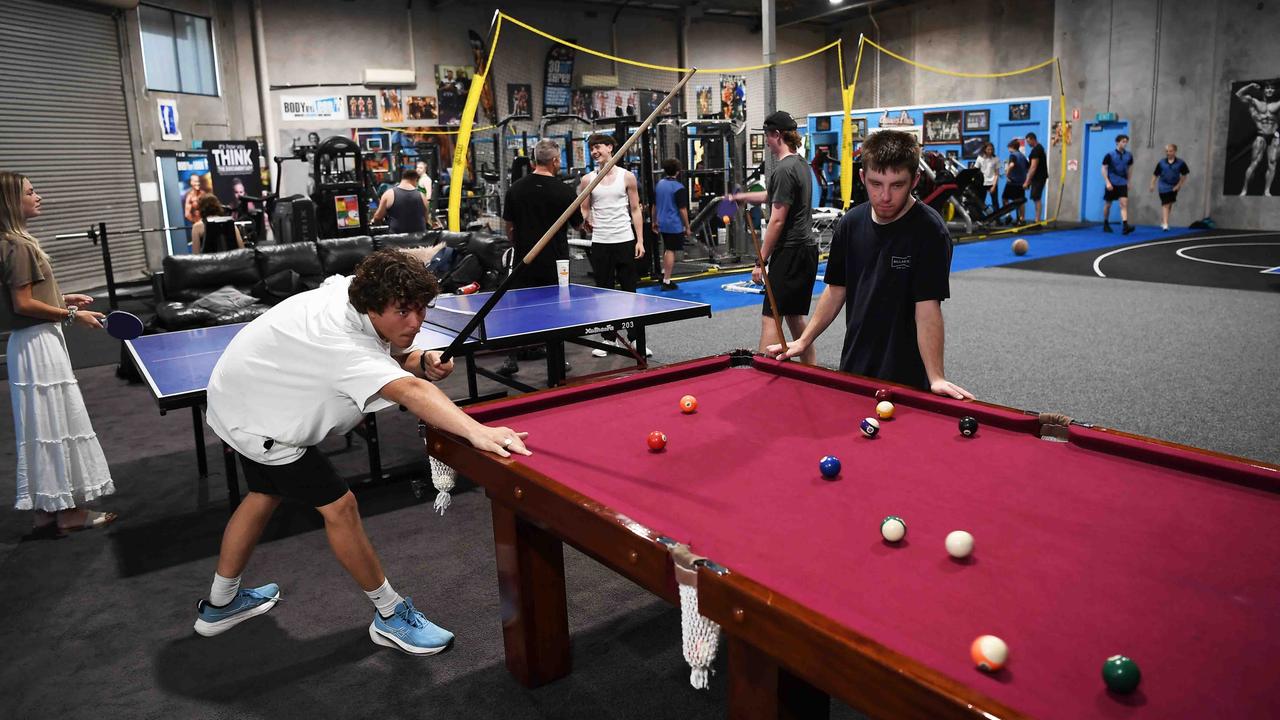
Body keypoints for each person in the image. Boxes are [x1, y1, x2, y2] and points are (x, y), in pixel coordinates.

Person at [194, 248, 530, 652]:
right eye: (403, 312)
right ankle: (389, 614)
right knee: (341, 507)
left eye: (422, 309)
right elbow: (409, 389)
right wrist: (477, 431)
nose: (416, 322)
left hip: (238, 394)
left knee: (264, 493)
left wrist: (416, 359)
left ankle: (220, 603)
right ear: (372, 303)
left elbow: (394, 360)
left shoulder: (347, 289)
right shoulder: (342, 343)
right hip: (260, 421)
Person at [764, 131, 972, 400]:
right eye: (876, 184)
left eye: (897, 185)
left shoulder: (930, 231)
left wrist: (936, 376)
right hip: (854, 366)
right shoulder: (850, 224)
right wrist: (805, 340)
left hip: (906, 374)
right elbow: (836, 290)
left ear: (915, 181)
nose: (885, 196)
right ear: (863, 178)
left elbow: (927, 309)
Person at [0, 171, 117, 537]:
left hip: (28, 343)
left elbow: (23, 299)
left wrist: (63, 298)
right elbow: (22, 303)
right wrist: (70, 314)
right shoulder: (19, 245)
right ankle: (69, 513)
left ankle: (47, 511)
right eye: (31, 192)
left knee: (41, 426)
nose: (39, 196)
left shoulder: (9, 242)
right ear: (11, 201)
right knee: (56, 423)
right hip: (38, 344)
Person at [725, 111, 817, 365]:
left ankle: (762, 374)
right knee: (794, 317)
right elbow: (773, 196)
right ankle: (813, 373)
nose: (765, 140)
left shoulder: (783, 169)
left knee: (771, 315)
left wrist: (760, 261)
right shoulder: (800, 164)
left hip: (789, 252)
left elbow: (777, 219)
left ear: (777, 135)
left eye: (767, 135)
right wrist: (741, 197)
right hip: (805, 250)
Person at [497, 139, 583, 376]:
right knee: (556, 309)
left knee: (520, 307)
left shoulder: (516, 188)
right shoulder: (565, 192)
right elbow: (579, 225)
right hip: (556, 263)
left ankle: (511, 358)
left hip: (525, 260)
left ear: (535, 160)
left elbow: (510, 227)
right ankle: (557, 360)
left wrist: (519, 245)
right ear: (555, 161)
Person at [578, 133, 649, 358]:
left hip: (624, 240)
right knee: (604, 293)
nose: (594, 152)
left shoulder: (627, 177)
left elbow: (635, 209)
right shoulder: (588, 180)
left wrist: (640, 240)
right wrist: (585, 219)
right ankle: (608, 339)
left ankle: (636, 339)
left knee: (630, 292)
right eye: (592, 149)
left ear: (610, 148)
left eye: (598, 147)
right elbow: (584, 208)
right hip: (601, 242)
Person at [1234, 81, 1280, 196]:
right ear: (1263, 90)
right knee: (1255, 163)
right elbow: (1238, 95)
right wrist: (1250, 86)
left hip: (1274, 137)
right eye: (1268, 88)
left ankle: (1267, 190)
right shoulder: (1254, 102)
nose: (1270, 90)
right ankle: (1244, 189)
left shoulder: (1278, 104)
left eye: (1272, 88)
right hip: (1261, 136)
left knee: (1272, 163)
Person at [651, 158, 690, 291]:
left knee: (667, 249)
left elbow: (654, 205)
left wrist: (654, 221)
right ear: (678, 172)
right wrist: (687, 226)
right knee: (670, 250)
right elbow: (682, 209)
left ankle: (665, 275)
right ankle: (666, 280)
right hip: (673, 224)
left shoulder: (659, 184)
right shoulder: (679, 188)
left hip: (662, 223)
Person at [372, 167, 431, 233]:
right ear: (415, 180)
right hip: (419, 240)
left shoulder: (389, 194)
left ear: (402, 178)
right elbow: (426, 219)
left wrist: (381, 230)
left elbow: (377, 217)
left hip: (396, 240)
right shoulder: (422, 196)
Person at [1149, 143, 1190, 231]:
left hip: (1174, 186)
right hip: (1163, 185)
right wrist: (1152, 184)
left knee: (1169, 204)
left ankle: (1164, 220)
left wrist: (1179, 185)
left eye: (1170, 151)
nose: (1168, 153)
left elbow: (1184, 175)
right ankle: (1166, 224)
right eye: (1167, 151)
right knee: (1165, 204)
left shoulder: (1181, 163)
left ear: (1175, 151)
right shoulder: (1161, 163)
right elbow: (1155, 174)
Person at [1101, 134, 1135, 234]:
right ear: (1117, 142)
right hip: (1111, 183)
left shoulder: (1129, 155)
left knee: (1123, 204)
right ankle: (1106, 223)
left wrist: (1128, 181)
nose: (1125, 144)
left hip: (1122, 183)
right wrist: (1107, 182)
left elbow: (1129, 169)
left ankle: (1125, 226)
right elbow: (1103, 169)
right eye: (1123, 141)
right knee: (1108, 205)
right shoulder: (1109, 155)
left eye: (1126, 142)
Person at [1023, 132, 1048, 222]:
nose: (1028, 144)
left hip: (1038, 177)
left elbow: (1033, 167)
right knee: (1036, 197)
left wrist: (1027, 181)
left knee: (1036, 198)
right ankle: (1037, 220)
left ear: (1033, 139)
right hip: (1039, 177)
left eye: (1028, 141)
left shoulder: (1036, 150)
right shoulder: (1039, 148)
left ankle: (1037, 221)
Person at [1003, 139, 1028, 224]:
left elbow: (1011, 165)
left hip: (1012, 182)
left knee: (1005, 198)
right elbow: (1027, 168)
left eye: (1009, 148)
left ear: (1011, 147)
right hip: (1021, 182)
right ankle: (1022, 219)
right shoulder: (1022, 156)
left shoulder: (1013, 155)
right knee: (1020, 201)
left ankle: (1008, 215)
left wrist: (1007, 174)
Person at [974, 142, 1000, 213]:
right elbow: (975, 170)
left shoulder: (996, 159)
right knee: (981, 202)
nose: (990, 151)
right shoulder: (979, 158)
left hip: (992, 182)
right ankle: (980, 218)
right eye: (988, 149)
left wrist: (994, 186)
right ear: (985, 149)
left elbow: (997, 173)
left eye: (991, 149)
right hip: (982, 183)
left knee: (995, 202)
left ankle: (997, 219)